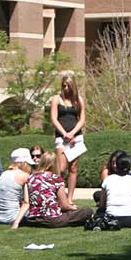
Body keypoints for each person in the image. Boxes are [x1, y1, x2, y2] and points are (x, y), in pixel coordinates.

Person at [12, 151, 92, 229]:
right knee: (87, 211)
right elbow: (64, 206)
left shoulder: (30, 178)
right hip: (51, 219)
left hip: (33, 219)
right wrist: (74, 208)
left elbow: (26, 201)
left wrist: (16, 223)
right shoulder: (55, 179)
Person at [50, 71, 86, 202]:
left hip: (76, 138)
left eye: (68, 86)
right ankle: (59, 197)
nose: (65, 88)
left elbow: (82, 120)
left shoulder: (79, 100)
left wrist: (72, 133)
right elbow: (54, 118)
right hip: (61, 137)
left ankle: (69, 198)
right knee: (61, 168)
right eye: (64, 86)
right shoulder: (56, 99)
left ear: (73, 86)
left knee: (73, 168)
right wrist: (64, 133)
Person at [99, 152, 131, 228]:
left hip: (110, 218)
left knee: (99, 212)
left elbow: (102, 205)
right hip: (130, 220)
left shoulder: (108, 179)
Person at [0, 147, 34, 225]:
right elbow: (27, 202)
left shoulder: (3, 174)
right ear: (24, 163)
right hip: (13, 218)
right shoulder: (24, 176)